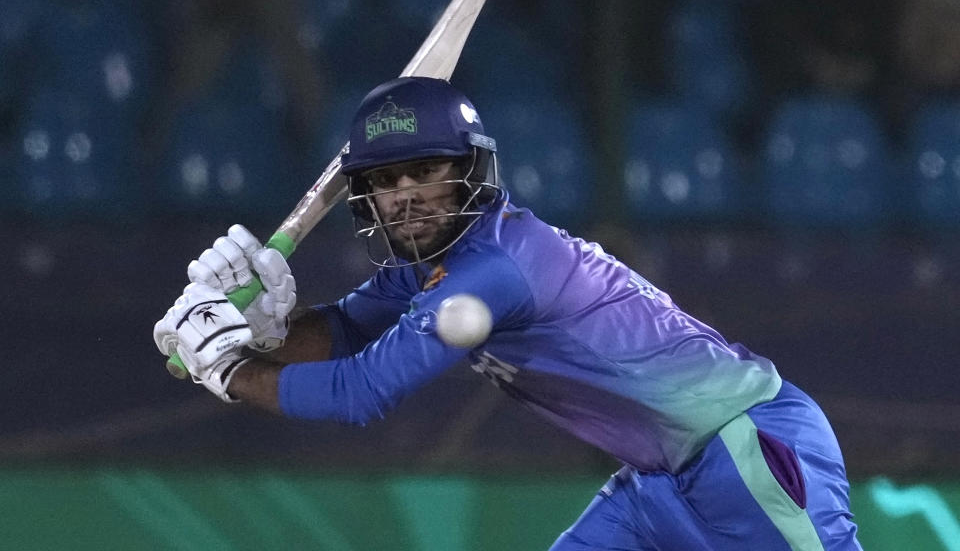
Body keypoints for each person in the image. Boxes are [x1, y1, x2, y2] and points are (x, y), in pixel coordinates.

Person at [154, 76, 863, 550]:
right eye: (385, 181)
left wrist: (229, 367)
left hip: (745, 451)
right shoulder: (423, 267)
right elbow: (338, 336)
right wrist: (271, 327)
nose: (404, 197)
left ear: (469, 171)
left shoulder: (497, 269)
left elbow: (361, 393)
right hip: (654, 479)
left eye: (424, 172)